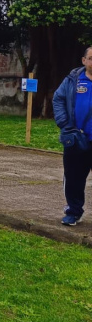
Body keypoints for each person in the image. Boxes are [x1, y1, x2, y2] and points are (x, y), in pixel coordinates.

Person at [53, 47, 92, 226]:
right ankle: (74, 212)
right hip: (77, 139)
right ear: (84, 60)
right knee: (74, 178)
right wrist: (65, 124)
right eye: (91, 58)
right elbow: (58, 98)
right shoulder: (73, 80)